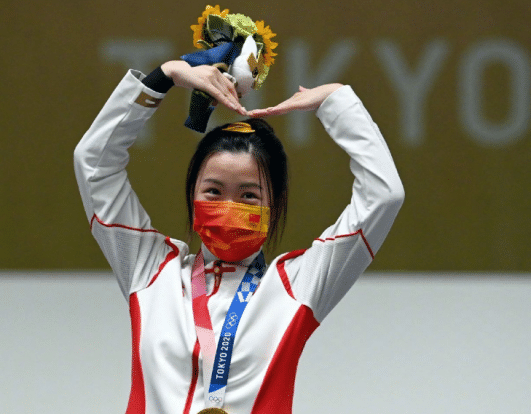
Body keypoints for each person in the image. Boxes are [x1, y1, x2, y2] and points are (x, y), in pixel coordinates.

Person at [74, 59, 404, 414]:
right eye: (213, 192)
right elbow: (94, 165)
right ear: (192, 195)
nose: (228, 207)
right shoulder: (151, 271)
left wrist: (336, 102)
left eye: (248, 195)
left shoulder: (297, 286)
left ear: (274, 204)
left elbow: (383, 196)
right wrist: (163, 76)